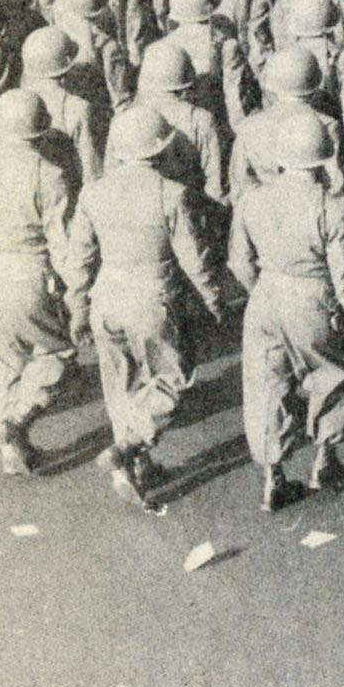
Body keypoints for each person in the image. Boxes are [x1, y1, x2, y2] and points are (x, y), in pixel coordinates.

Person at [65, 101, 231, 508]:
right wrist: (215, 302)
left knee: (120, 384)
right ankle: (130, 446)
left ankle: (135, 465)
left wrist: (78, 308)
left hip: (107, 298)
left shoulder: (93, 194)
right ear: (161, 150)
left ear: (118, 150)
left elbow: (80, 260)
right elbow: (195, 260)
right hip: (151, 301)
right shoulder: (171, 195)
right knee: (170, 382)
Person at [230, 107, 344, 510]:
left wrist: (260, 290)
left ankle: (273, 477)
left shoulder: (252, 200)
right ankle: (325, 461)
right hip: (312, 298)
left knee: (266, 385)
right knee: (330, 378)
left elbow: (239, 262)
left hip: (264, 296)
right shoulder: (334, 206)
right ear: (324, 156)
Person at [0, 87, 84, 474]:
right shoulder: (50, 175)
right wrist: (79, 296)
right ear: (41, 132)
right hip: (28, 274)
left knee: (7, 362)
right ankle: (15, 422)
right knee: (58, 357)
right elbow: (61, 245)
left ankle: (12, 452)